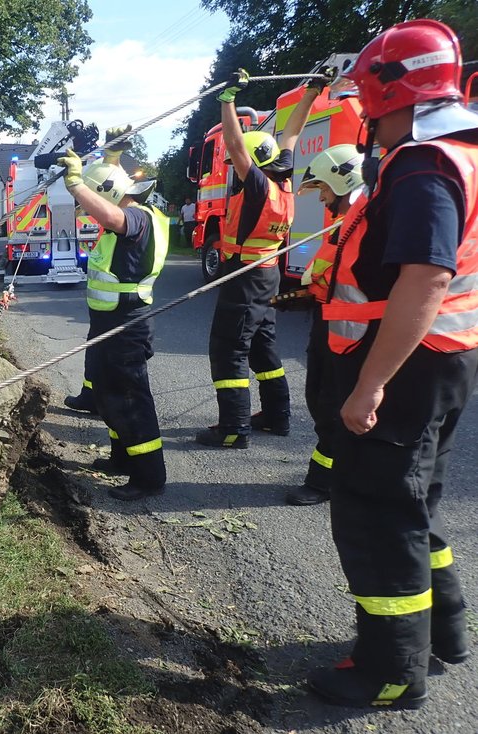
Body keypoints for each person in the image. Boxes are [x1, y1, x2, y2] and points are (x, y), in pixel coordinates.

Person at [307, 19, 478, 709]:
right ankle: (447, 630)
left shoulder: (422, 165)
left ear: (393, 93)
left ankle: (390, 670)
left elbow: (425, 278)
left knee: (377, 511)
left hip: (404, 367)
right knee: (416, 501)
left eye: (369, 105)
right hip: (442, 360)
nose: (366, 121)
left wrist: (368, 386)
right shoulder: (462, 154)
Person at [195, 70, 320, 448]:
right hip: (266, 274)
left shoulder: (258, 186)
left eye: (239, 164)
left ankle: (233, 429)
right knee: (263, 345)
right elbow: (291, 133)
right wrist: (311, 95)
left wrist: (227, 100)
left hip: (245, 275)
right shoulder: (282, 177)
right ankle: (276, 416)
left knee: (228, 349)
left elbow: (234, 143)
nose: (234, 169)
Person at [58, 126, 170, 501]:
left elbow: (112, 214)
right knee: (110, 394)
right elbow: (111, 190)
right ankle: (123, 459)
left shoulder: (134, 218)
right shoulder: (134, 214)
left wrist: (76, 184)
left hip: (127, 324)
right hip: (112, 321)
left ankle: (149, 477)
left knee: (131, 399)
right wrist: (112, 158)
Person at [280, 145, 364, 506]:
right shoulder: (341, 228)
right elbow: (331, 277)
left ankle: (325, 481)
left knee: (332, 406)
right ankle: (340, 473)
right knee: (317, 397)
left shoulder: (364, 224)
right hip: (327, 324)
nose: (322, 199)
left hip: (352, 335)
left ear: (342, 182)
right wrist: (301, 296)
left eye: (324, 190)